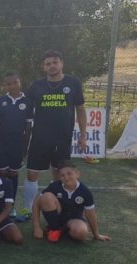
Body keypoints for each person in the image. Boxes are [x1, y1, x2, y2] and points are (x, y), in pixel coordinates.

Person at [22, 50, 87, 221]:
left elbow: (80, 109)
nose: (51, 66)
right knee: (31, 173)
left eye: (54, 62)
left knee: (59, 175)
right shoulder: (37, 85)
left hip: (62, 138)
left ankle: (56, 207)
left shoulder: (73, 83)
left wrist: (83, 135)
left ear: (61, 63)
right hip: (40, 138)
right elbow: (24, 106)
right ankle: (28, 209)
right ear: (44, 67)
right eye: (48, 63)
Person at [32, 160, 110, 243]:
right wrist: (37, 227)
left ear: (77, 174)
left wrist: (96, 235)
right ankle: (54, 229)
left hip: (74, 219)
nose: (66, 177)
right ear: (59, 177)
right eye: (62, 175)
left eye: (69, 174)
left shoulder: (85, 191)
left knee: (81, 233)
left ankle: (64, 231)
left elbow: (90, 214)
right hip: (58, 216)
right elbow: (36, 202)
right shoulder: (55, 186)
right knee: (46, 196)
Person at [0, 71, 33, 218]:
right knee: (2, 174)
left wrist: (25, 148)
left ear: (19, 82)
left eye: (15, 82)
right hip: (0, 144)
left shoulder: (27, 102)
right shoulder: (1, 100)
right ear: (5, 86)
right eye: (9, 83)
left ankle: (12, 206)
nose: (12, 85)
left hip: (16, 145)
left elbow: (28, 128)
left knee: (13, 175)